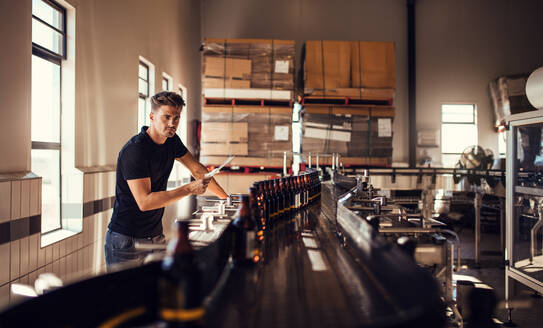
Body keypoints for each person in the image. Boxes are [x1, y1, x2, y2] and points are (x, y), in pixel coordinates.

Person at [105, 91, 228, 269]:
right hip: (126, 240)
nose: (172, 124)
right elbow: (145, 202)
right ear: (152, 117)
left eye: (176, 118)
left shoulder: (171, 141)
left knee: (158, 294)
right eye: (166, 117)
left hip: (155, 235)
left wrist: (227, 200)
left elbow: (197, 169)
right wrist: (189, 189)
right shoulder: (135, 151)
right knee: (127, 296)